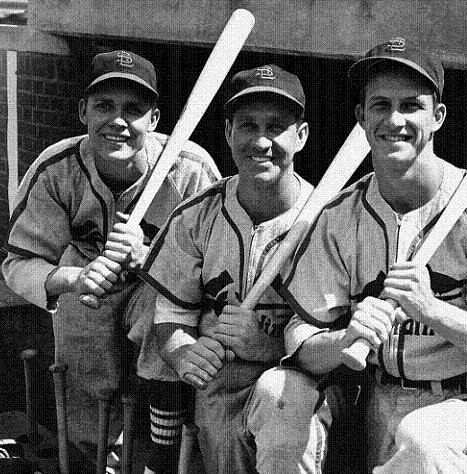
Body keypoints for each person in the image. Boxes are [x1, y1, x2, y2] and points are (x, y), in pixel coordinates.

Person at [280, 37, 467, 473]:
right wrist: (345, 338)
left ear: (438, 116)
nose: (395, 119)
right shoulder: (339, 216)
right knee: (280, 393)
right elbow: (299, 341)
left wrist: (432, 311)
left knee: (423, 440)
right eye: (381, 105)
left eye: (411, 105)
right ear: (362, 118)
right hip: (380, 400)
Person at [2, 50, 220, 473]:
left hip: (160, 289)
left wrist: (153, 260)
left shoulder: (190, 170)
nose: (118, 121)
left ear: (154, 119)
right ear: (83, 111)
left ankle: (162, 456)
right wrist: (71, 277)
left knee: (163, 320)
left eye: (133, 109)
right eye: (105, 106)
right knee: (89, 413)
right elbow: (19, 263)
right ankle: (97, 457)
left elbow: (218, 272)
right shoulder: (57, 168)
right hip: (87, 286)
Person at [143, 64, 333, 473]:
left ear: (300, 136)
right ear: (228, 132)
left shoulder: (330, 221)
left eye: (276, 127)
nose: (261, 141)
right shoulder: (197, 215)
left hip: (304, 383)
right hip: (220, 382)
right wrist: (182, 353)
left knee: (282, 394)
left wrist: (267, 346)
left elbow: (344, 343)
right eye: (248, 125)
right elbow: (172, 315)